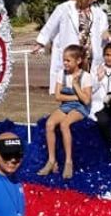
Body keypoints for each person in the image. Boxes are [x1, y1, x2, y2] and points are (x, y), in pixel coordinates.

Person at [32, 0, 110, 94]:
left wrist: (106, 33)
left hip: (90, 61)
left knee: (89, 94)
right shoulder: (64, 8)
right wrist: (40, 43)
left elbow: (104, 30)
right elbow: (50, 26)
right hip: (72, 60)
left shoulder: (99, 13)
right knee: (70, 92)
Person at [37, 45, 92, 180]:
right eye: (64, 60)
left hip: (80, 108)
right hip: (67, 105)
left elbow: (86, 100)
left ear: (78, 61)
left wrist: (76, 86)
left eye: (68, 60)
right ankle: (51, 160)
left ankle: (68, 161)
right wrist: (75, 96)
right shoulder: (61, 74)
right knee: (50, 124)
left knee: (65, 124)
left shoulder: (86, 76)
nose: (65, 63)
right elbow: (58, 96)